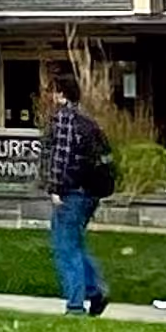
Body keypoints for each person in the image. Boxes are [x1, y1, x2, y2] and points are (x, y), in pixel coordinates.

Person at [39, 67, 113, 317]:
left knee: (65, 248)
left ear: (60, 93)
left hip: (71, 192)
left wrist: (56, 189)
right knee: (76, 245)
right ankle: (94, 291)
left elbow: (61, 157)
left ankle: (75, 305)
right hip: (90, 192)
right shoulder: (86, 119)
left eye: (52, 91)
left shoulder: (63, 119)